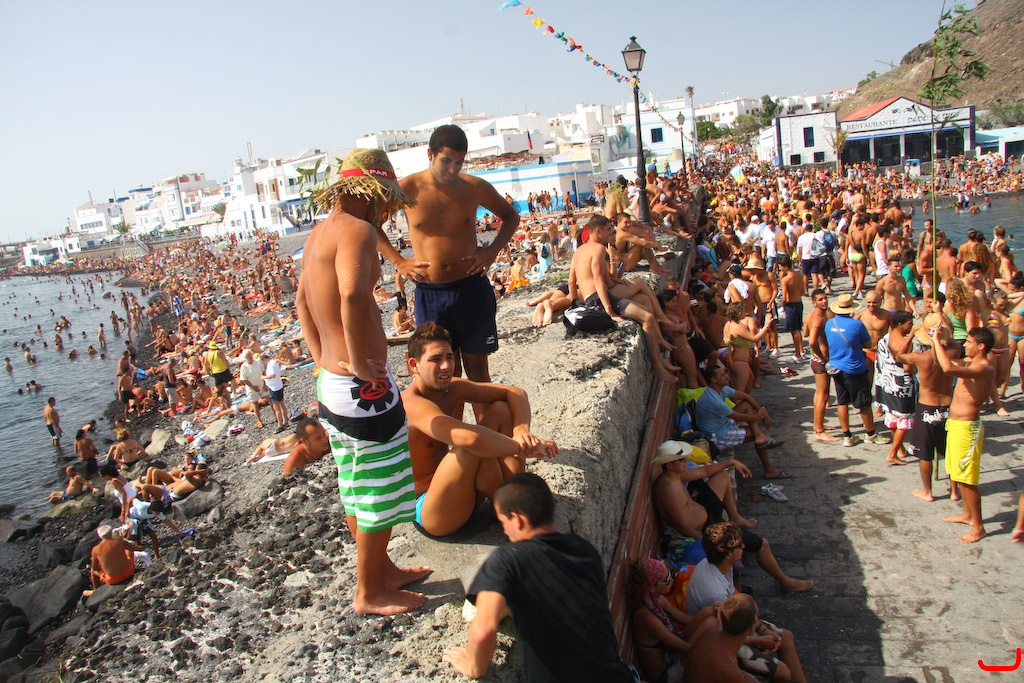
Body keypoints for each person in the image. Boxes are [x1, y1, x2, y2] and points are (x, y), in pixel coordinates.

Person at [295, 148, 428, 615]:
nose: (388, 211)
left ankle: (381, 570)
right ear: (371, 193)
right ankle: (368, 591)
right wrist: (357, 360)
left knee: (355, 482)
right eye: (386, 200)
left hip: (334, 383)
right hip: (360, 388)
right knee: (379, 485)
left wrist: (321, 358)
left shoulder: (318, 233)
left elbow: (302, 302)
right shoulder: (357, 230)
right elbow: (353, 295)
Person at [442, 472, 634, 681]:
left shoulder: (506, 560)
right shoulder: (584, 550)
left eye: (503, 522)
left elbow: (483, 631)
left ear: (518, 520)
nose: (504, 531)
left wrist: (473, 666)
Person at [380, 124, 520, 386]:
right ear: (430, 154)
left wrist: (492, 251)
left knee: (478, 371)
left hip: (471, 289)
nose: (453, 169)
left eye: (459, 162)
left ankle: (483, 415)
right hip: (431, 293)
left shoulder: (474, 187)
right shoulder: (406, 189)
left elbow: (511, 216)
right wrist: (398, 261)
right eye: (446, 161)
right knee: (445, 376)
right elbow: (372, 224)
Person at [402, 323, 557, 537]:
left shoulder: (451, 388)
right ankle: (512, 507)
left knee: (502, 410)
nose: (446, 366)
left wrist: (522, 431)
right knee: (468, 447)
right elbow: (470, 439)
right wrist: (522, 446)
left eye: (449, 357)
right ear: (414, 365)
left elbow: (515, 393)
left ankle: (510, 501)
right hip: (431, 510)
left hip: (462, 491)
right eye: (435, 359)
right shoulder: (411, 404)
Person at [653, 440, 812, 592]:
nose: (686, 461)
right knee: (762, 544)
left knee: (722, 476)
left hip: (706, 513)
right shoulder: (667, 487)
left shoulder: (675, 476)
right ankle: (785, 582)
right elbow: (681, 525)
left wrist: (731, 463)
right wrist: (704, 540)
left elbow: (704, 471)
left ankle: (735, 517)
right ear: (670, 465)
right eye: (681, 460)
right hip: (705, 529)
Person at [685, 523, 807, 683]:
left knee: (786, 637)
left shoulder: (719, 565)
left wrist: (764, 630)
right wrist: (760, 640)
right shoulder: (715, 593)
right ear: (728, 554)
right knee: (783, 673)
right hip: (728, 634)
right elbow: (727, 637)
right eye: (739, 545)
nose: (743, 546)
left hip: (731, 625)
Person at [569, 215, 680, 382]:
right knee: (648, 317)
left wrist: (574, 306)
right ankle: (656, 365)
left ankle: (658, 355)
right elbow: (598, 281)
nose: (611, 233)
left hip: (592, 299)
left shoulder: (579, 251)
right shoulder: (598, 249)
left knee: (644, 303)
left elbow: (572, 282)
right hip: (599, 300)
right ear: (598, 231)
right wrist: (609, 310)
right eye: (608, 230)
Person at [931, 326, 996, 543]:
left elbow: (948, 368)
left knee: (967, 480)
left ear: (981, 346)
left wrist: (936, 341)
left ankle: (978, 527)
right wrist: (937, 341)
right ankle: (968, 515)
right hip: (956, 425)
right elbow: (942, 362)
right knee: (958, 475)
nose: (964, 345)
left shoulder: (983, 368)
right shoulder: (970, 363)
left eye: (968, 342)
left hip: (967, 428)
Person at [694, 364, 788, 479]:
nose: (726, 376)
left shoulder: (722, 389)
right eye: (722, 375)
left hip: (723, 423)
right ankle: (769, 470)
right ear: (714, 380)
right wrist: (759, 416)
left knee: (746, 405)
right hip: (717, 436)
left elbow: (746, 397)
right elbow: (740, 416)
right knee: (757, 436)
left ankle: (759, 436)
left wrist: (764, 415)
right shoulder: (713, 400)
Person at [901, 314, 956, 502]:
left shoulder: (920, 358)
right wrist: (941, 331)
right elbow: (953, 340)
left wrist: (911, 335)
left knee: (925, 454)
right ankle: (954, 490)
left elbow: (899, 355)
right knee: (950, 451)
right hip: (947, 407)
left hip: (927, 407)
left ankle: (928, 491)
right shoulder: (953, 353)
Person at [826, 294, 888, 447]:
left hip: (836, 366)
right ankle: (870, 434)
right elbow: (868, 343)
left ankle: (847, 436)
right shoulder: (856, 325)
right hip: (854, 367)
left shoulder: (829, 323)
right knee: (864, 402)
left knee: (842, 401)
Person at [685, 594, 763, 683]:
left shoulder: (712, 631)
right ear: (751, 628)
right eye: (757, 615)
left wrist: (760, 640)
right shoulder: (730, 671)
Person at [89, 525, 150, 590]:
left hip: (113, 580)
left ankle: (96, 590)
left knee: (92, 571)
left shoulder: (95, 549)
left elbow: (95, 568)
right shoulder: (120, 541)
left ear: (100, 536)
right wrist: (144, 546)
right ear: (111, 533)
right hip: (129, 571)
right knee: (129, 549)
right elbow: (135, 548)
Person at [238, 349, 266, 428]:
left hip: (261, 383)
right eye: (248, 356)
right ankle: (259, 420)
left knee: (269, 399)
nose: (250, 357)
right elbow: (244, 379)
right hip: (251, 387)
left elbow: (263, 372)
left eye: (251, 355)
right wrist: (253, 387)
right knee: (255, 404)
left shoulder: (257, 362)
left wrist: (265, 383)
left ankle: (277, 416)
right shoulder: (244, 366)